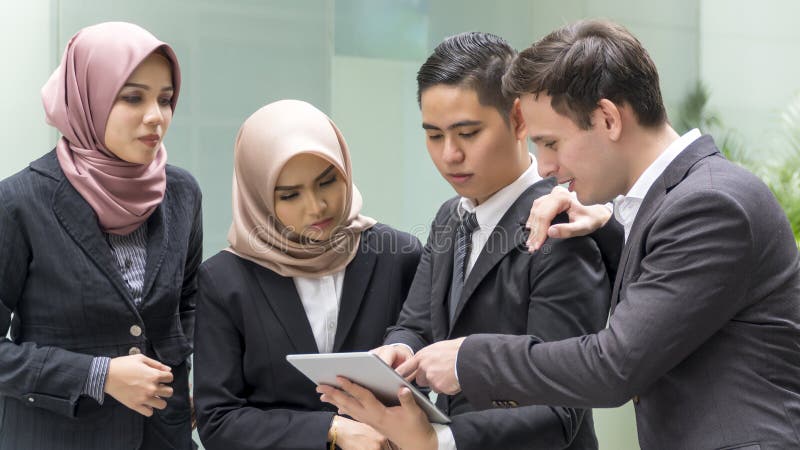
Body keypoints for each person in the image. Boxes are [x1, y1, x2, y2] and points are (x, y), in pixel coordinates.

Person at [394, 19, 800, 450]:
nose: (545, 167)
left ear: (607, 118)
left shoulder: (710, 205)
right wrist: (609, 228)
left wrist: (468, 360)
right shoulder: (679, 201)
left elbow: (613, 366)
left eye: (550, 143)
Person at [319, 32, 613, 450]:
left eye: (467, 133)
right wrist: (397, 352)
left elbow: (561, 408)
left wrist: (442, 440)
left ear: (518, 120)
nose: (449, 155)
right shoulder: (449, 217)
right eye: (434, 136)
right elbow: (416, 324)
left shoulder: (562, 224)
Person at [0, 22, 202, 450]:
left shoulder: (182, 193)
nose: (156, 116)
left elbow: (189, 305)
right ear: (87, 97)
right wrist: (100, 376)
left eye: (165, 100)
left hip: (162, 436)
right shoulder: (19, 202)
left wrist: (196, 379)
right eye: (132, 97)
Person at [192, 99, 422, 450]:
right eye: (290, 195)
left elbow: (425, 377)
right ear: (259, 197)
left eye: (328, 181)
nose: (316, 206)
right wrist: (332, 430)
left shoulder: (398, 255)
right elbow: (218, 420)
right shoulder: (224, 281)